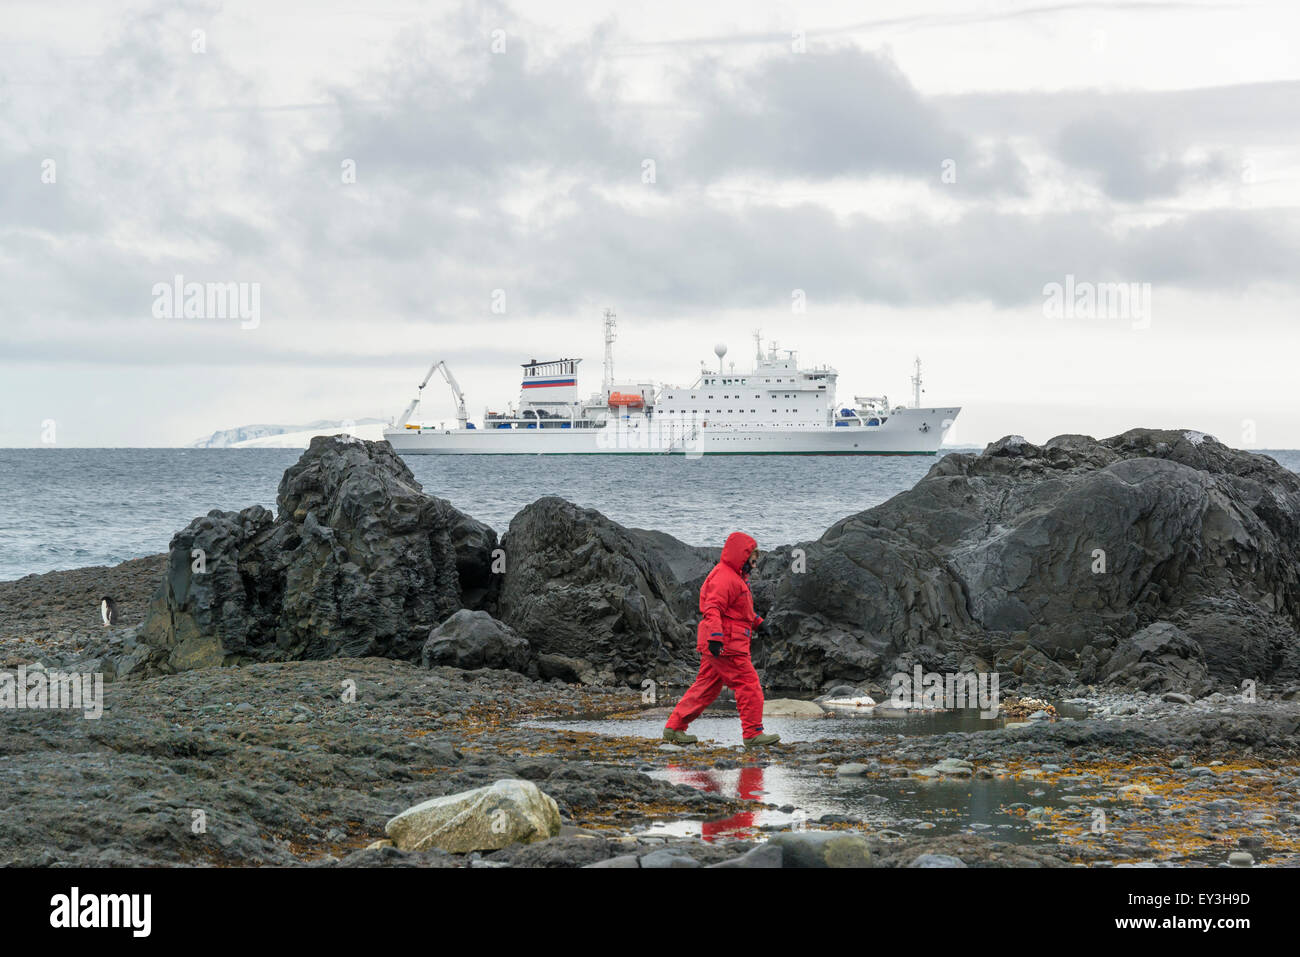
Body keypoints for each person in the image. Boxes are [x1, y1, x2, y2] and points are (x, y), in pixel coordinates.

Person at [662, 531, 780, 749]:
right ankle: (753, 733)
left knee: (706, 687)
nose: (754, 566)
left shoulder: (732, 577)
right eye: (752, 561)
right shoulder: (726, 577)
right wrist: (716, 638)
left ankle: (674, 728)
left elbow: (737, 611)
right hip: (726, 645)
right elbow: (713, 608)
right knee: (749, 684)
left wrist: (758, 623)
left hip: (722, 643)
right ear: (741, 557)